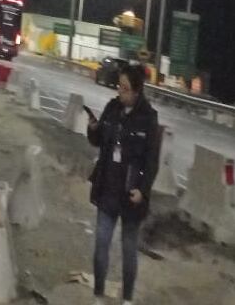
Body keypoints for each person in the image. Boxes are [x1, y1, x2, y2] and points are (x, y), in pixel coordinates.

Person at [87, 63, 159, 305]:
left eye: (126, 88)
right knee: (101, 245)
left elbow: (152, 161)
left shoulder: (148, 118)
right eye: (120, 86)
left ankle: (127, 299)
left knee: (129, 251)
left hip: (131, 196)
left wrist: (143, 189)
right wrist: (93, 129)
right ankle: (98, 295)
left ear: (137, 91)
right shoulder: (112, 108)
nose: (121, 92)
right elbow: (98, 141)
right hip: (107, 189)